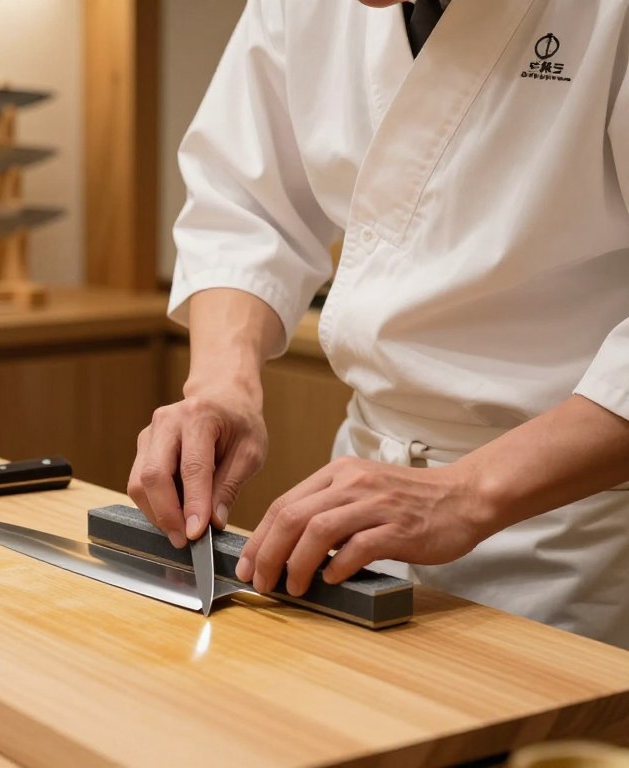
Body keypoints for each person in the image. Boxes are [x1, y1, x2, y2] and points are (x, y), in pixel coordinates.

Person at [127, 0, 629, 649]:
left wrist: (466, 493)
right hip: (358, 522)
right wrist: (223, 387)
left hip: (571, 536)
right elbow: (245, 203)